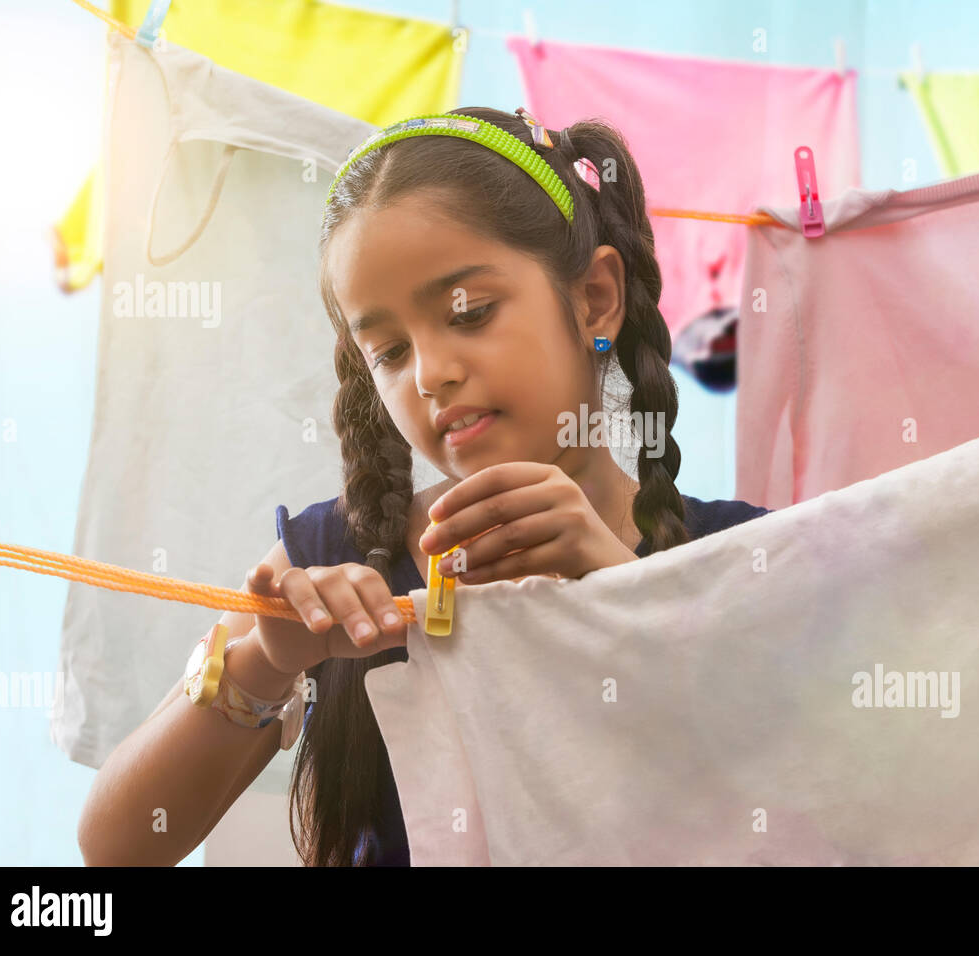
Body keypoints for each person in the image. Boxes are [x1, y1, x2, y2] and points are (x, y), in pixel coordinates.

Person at [78, 107, 770, 867]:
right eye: (390, 350)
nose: (431, 374)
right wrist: (266, 663)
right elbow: (118, 848)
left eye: (468, 313)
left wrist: (622, 596)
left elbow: (807, 819)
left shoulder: (746, 558)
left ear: (596, 298)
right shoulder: (332, 561)